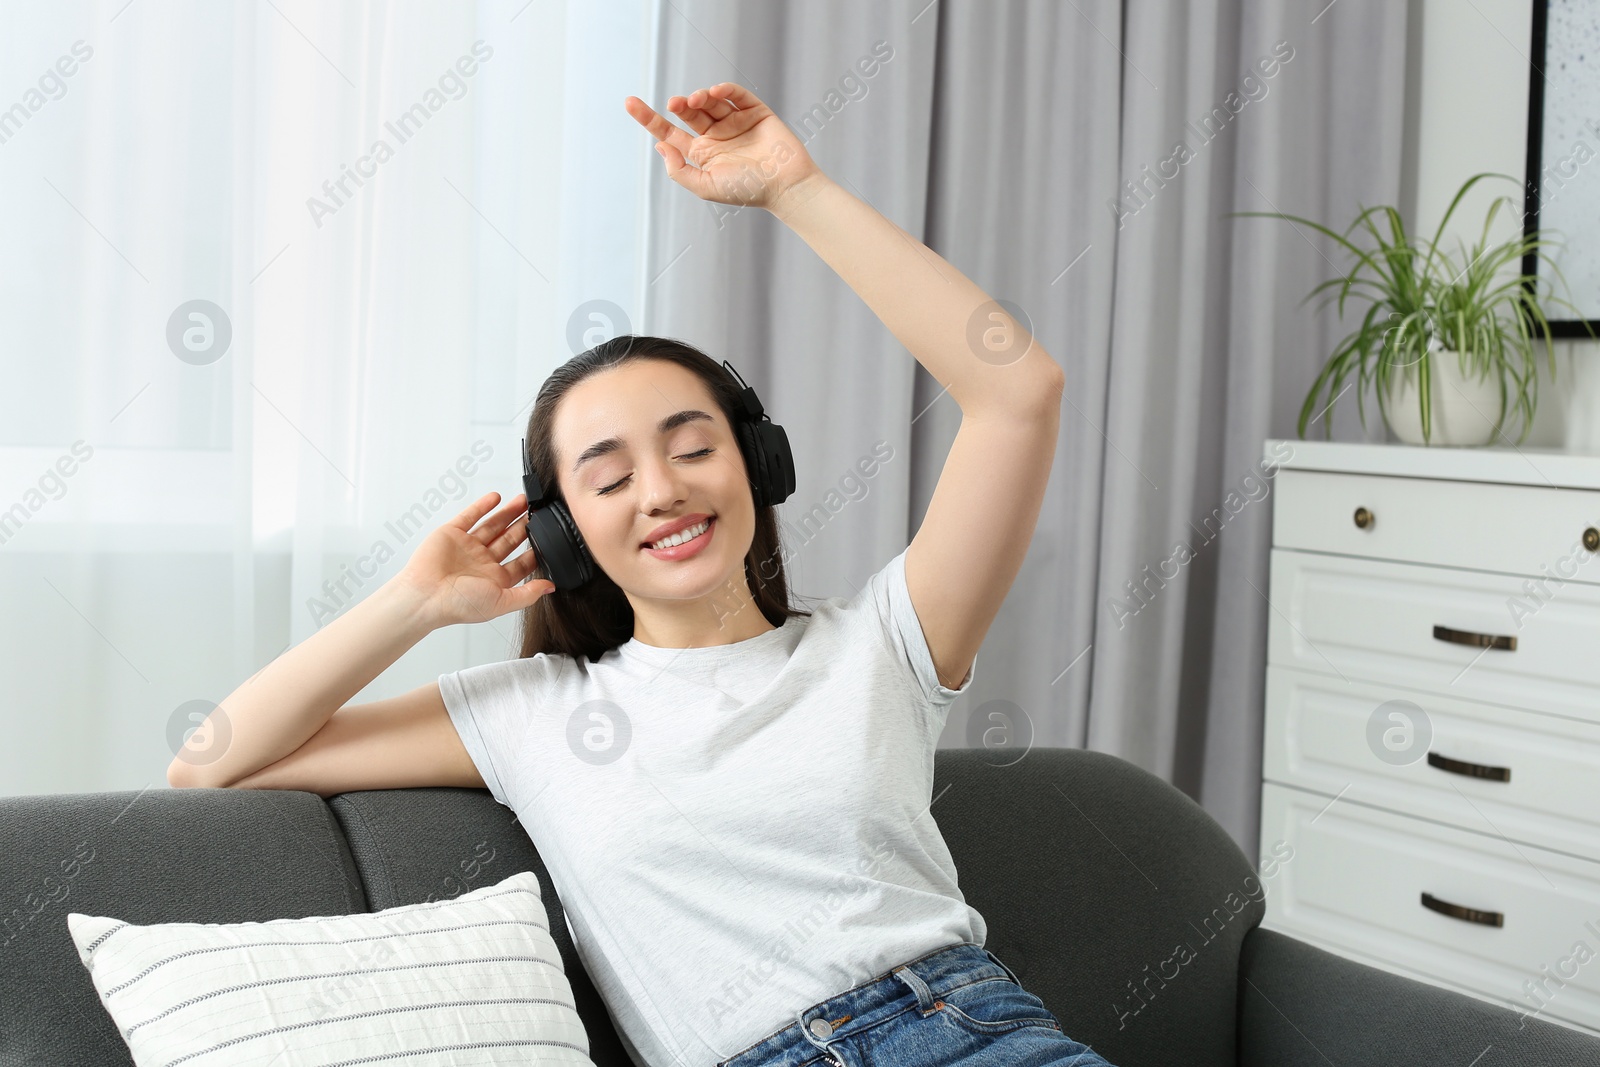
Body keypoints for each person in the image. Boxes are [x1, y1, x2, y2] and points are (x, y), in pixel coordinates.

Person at [169, 81, 1102, 1067]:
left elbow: (1016, 391)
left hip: (975, 1033)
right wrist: (415, 604)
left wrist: (795, 187)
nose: (659, 490)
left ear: (758, 463)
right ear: (565, 530)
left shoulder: (884, 641)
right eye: (609, 476)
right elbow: (212, 759)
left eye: (692, 447)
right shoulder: (533, 709)